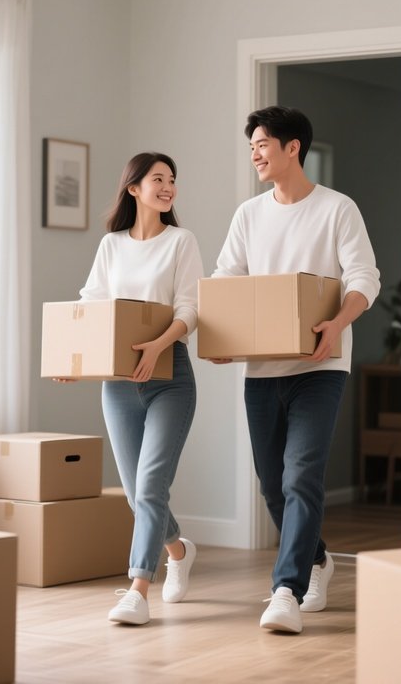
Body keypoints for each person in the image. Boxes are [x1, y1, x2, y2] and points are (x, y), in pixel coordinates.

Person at [210, 106, 380, 634]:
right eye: (251, 147)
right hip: (262, 371)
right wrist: (222, 336)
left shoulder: (337, 209)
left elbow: (364, 278)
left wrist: (337, 325)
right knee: (272, 485)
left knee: (301, 476)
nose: (255, 155)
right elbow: (226, 279)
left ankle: (286, 590)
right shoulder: (248, 215)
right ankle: (317, 560)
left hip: (321, 366)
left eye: (263, 144)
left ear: (293, 148)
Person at [56, 152, 204, 626]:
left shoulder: (181, 241)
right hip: (119, 382)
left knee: (151, 484)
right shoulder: (112, 245)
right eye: (158, 178)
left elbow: (190, 309)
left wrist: (158, 346)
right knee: (136, 492)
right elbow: (92, 304)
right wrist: (74, 360)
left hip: (169, 378)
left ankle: (138, 589)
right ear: (134, 188)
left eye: (172, 179)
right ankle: (179, 551)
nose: (168, 186)